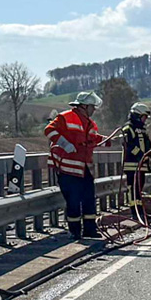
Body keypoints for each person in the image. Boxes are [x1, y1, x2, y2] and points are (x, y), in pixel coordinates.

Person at [45, 91, 105, 239]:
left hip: (84, 168)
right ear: (84, 106)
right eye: (92, 106)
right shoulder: (66, 117)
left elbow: (93, 139)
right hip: (68, 169)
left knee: (89, 199)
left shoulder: (89, 123)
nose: (94, 109)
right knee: (73, 201)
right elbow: (49, 130)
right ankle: (75, 232)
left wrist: (112, 140)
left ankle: (90, 230)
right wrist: (65, 144)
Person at [118, 102, 151, 211]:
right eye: (143, 117)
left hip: (142, 165)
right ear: (137, 115)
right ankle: (135, 211)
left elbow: (147, 144)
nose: (145, 120)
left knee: (139, 188)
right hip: (132, 165)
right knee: (133, 189)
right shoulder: (128, 128)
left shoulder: (143, 129)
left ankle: (140, 210)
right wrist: (141, 155)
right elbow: (129, 145)